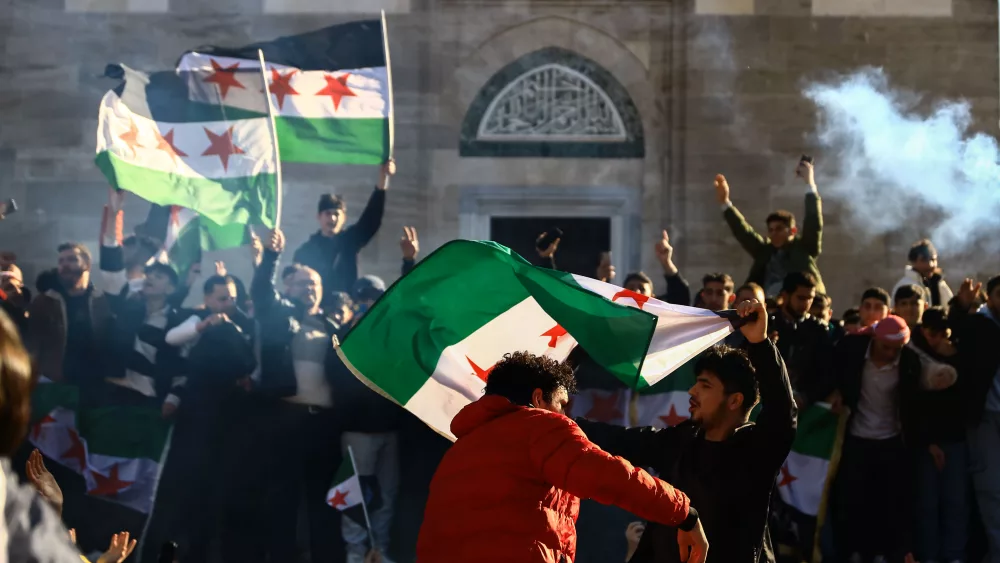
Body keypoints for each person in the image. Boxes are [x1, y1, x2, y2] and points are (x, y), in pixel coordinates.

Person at [417, 351, 707, 563]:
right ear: (539, 398)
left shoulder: (461, 449)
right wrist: (684, 513)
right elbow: (609, 476)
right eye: (562, 404)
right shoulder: (540, 425)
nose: (568, 416)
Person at [579, 299, 795, 563]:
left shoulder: (757, 450)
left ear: (735, 400)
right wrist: (560, 421)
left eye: (704, 386)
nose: (692, 392)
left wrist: (760, 344)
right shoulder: (682, 440)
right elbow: (622, 440)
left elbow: (783, 413)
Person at [142, 274, 257, 563]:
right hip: (194, 420)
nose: (227, 303)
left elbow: (247, 364)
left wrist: (229, 329)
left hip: (226, 424)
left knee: (212, 499)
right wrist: (206, 324)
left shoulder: (241, 326)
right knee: (181, 497)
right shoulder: (194, 321)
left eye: (231, 297)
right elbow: (173, 341)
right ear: (206, 299)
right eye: (221, 298)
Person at [252, 228, 346, 563]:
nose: (310, 290)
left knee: (323, 500)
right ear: (288, 288)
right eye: (303, 284)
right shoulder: (279, 317)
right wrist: (271, 257)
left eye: (315, 285)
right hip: (285, 422)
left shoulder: (332, 328)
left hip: (323, 425)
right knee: (282, 499)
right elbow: (261, 291)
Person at [830, 315, 921, 563]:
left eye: (896, 349)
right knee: (852, 502)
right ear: (875, 340)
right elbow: (831, 371)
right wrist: (835, 391)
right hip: (856, 438)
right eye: (885, 347)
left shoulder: (909, 362)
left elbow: (915, 405)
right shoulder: (852, 351)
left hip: (890, 441)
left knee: (888, 504)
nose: (891, 354)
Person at [337, 276, 402, 563]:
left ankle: (379, 551)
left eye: (374, 296)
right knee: (356, 497)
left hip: (389, 429)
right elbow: (334, 375)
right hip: (357, 432)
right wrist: (351, 335)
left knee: (386, 495)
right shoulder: (342, 334)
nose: (368, 302)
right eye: (363, 297)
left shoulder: (389, 336)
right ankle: (355, 552)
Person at [905, 306, 967, 563]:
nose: (937, 338)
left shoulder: (959, 355)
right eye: (932, 333)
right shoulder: (912, 357)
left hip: (954, 439)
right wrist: (928, 442)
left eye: (943, 332)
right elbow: (912, 405)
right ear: (923, 331)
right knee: (927, 505)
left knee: (955, 503)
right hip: (925, 442)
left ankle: (954, 556)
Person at [714, 158, 824, 297]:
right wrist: (725, 203)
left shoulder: (804, 248)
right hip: (769, 307)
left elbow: (813, 222)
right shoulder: (765, 251)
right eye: (770, 230)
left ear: (793, 231)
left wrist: (810, 183)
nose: (774, 234)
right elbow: (743, 232)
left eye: (779, 229)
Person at [292, 159, 395, 306]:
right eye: (327, 213)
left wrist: (382, 182)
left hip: (346, 309)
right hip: (317, 312)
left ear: (344, 218)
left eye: (336, 214)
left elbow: (371, 220)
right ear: (319, 217)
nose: (332, 218)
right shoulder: (305, 251)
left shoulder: (350, 241)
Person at [949, 275, 1000, 563]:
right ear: (990, 298)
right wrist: (960, 305)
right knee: (991, 490)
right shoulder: (980, 325)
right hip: (986, 418)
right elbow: (953, 330)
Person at [770, 272, 834, 407]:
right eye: (801, 298)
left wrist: (805, 398)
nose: (806, 304)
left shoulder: (819, 330)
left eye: (810, 298)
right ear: (786, 295)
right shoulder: (768, 325)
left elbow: (827, 374)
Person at [891, 239, 954, 308]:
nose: (931, 264)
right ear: (913, 262)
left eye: (933, 260)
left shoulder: (940, 285)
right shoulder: (905, 285)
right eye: (924, 260)